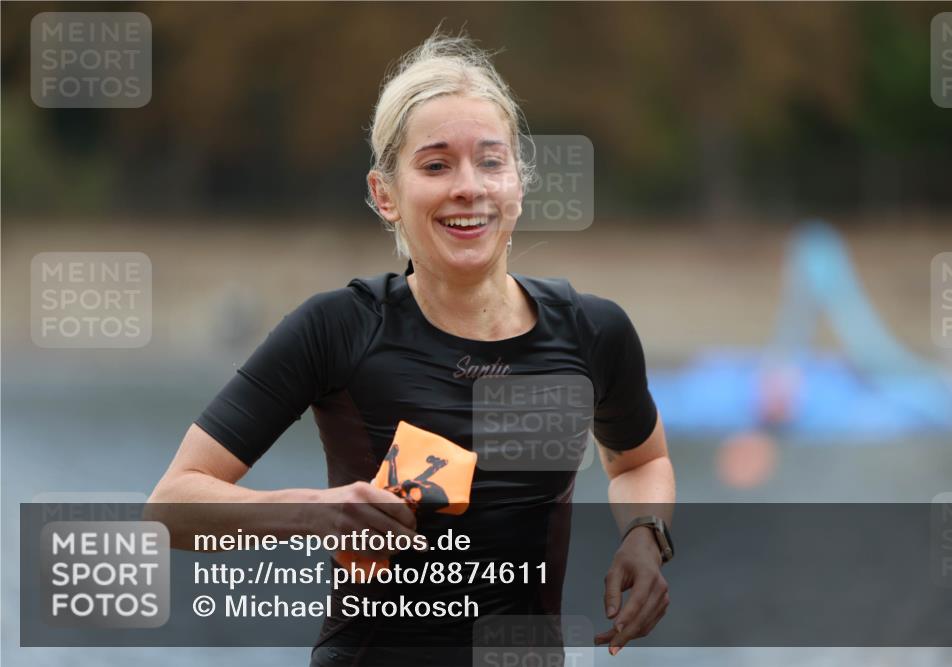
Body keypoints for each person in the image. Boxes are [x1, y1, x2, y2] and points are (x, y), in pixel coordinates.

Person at [149, 29, 676, 666]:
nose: (468, 187)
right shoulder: (338, 328)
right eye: (435, 165)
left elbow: (640, 460)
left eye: (491, 162)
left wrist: (645, 533)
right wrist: (316, 512)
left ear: (518, 182)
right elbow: (172, 507)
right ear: (385, 195)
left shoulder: (592, 332)